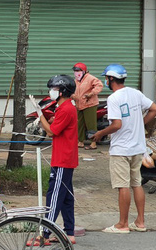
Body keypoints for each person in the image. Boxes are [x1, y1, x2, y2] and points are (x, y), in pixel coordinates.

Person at [91, 64, 156, 234]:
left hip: (121, 149)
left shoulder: (114, 98)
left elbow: (117, 124)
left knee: (123, 186)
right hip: (138, 147)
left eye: (106, 78)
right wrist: (140, 123)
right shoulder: (135, 92)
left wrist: (100, 133)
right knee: (136, 184)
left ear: (111, 79)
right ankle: (140, 222)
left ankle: (122, 224)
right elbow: (155, 109)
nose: (105, 81)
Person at [30, 75, 78, 245]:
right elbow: (57, 126)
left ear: (63, 91)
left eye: (55, 89)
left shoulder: (65, 109)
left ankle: (45, 234)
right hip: (66, 157)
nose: (52, 92)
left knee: (54, 196)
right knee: (66, 197)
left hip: (62, 159)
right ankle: (69, 232)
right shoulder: (64, 107)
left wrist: (39, 113)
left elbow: (51, 132)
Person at [71, 62, 103, 150]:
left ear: (84, 71)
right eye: (75, 71)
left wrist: (91, 93)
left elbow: (99, 85)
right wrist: (72, 95)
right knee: (79, 123)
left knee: (90, 124)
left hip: (90, 104)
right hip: (79, 104)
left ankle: (93, 142)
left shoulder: (90, 78)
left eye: (78, 70)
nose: (76, 72)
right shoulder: (76, 81)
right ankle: (80, 141)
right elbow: (73, 90)